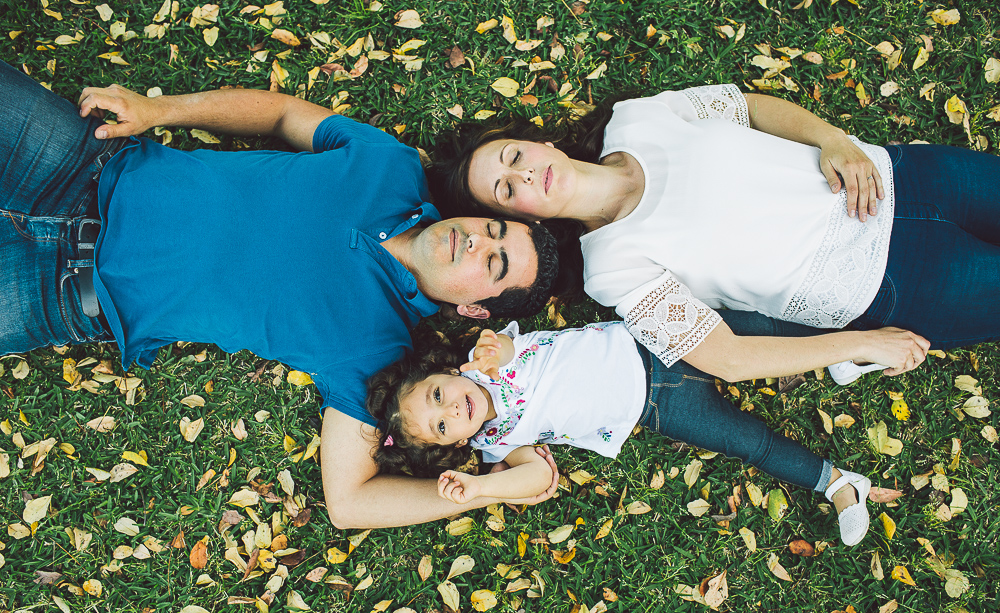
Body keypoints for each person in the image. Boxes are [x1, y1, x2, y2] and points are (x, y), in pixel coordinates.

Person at [0, 60, 562, 529]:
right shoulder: (391, 166)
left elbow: (349, 504)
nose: (476, 242)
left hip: (58, 290)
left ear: (473, 310)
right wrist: (162, 109)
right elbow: (285, 113)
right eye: (494, 230)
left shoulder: (375, 354)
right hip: (83, 161)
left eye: (493, 264)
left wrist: (489, 489)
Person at [426, 83, 1000, 387]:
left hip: (907, 176)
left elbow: (747, 108)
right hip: (899, 282)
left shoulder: (637, 117)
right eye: (505, 189)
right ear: (525, 220)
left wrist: (834, 139)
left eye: (511, 156)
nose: (522, 173)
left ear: (539, 142)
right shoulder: (612, 270)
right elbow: (726, 358)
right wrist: (864, 344)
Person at [366, 309, 872, 546]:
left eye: (439, 395)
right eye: (441, 424)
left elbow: (509, 345)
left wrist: (497, 348)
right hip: (654, 408)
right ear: (453, 443)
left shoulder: (485, 362)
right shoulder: (497, 440)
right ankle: (838, 483)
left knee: (758, 333)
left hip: (650, 340)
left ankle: (846, 346)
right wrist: (481, 486)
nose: (454, 409)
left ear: (448, 372)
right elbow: (536, 480)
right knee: (744, 441)